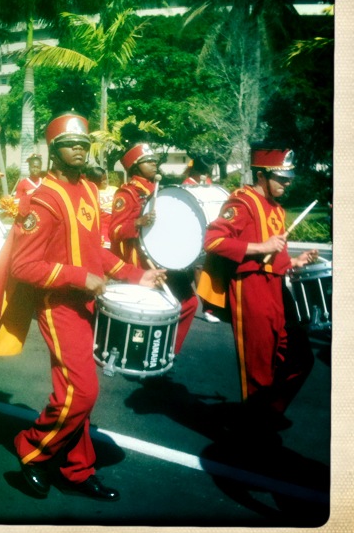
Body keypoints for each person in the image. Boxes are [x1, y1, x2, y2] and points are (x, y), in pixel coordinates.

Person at [0, 112, 165, 501]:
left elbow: (95, 251)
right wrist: (78, 276)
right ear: (53, 150)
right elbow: (23, 266)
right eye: (70, 145)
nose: (80, 150)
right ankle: (31, 448)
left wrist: (137, 275)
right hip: (58, 307)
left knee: (74, 392)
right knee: (81, 392)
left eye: (84, 144)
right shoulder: (42, 200)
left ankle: (77, 469)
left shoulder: (87, 189)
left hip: (88, 305)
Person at [197, 146, 317, 438]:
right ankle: (254, 431)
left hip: (276, 288)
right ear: (261, 175)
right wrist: (261, 247)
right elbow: (213, 241)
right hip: (249, 286)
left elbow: (275, 256)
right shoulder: (242, 202)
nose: (287, 183)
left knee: (299, 356)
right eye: (281, 178)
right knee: (259, 365)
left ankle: (267, 414)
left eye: (289, 178)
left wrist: (295, 261)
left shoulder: (277, 208)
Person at [109, 143, 199, 356]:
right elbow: (114, 231)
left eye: (154, 161)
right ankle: (143, 355)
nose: (153, 164)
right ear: (135, 167)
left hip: (166, 259)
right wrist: (138, 223)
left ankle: (168, 351)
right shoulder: (127, 193)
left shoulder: (159, 188)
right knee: (148, 314)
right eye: (148, 161)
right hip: (143, 262)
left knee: (189, 303)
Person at [181, 156, 220, 324]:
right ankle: (207, 309)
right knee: (198, 269)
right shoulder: (187, 185)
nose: (206, 175)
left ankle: (180, 301)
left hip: (207, 231)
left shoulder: (207, 182)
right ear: (196, 171)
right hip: (193, 233)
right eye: (204, 172)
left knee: (192, 273)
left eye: (207, 172)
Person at [84, 165, 117, 248]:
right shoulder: (92, 193)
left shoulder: (115, 189)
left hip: (115, 223)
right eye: (102, 180)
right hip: (103, 229)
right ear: (95, 180)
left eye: (106, 178)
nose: (105, 182)